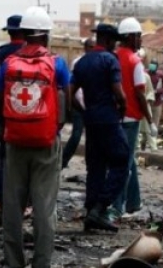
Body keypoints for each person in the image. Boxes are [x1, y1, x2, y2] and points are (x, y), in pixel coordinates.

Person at [0, 6, 70, 268]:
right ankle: (41, 267)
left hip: (15, 140)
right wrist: (57, 127)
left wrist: (7, 132)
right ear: (45, 35)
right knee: (44, 206)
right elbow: (67, 95)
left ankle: (13, 265)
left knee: (13, 205)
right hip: (46, 140)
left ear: (26, 34)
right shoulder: (58, 63)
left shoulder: (8, 64)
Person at [71, 23, 129, 233]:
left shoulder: (82, 62)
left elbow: (70, 93)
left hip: (91, 120)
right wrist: (122, 107)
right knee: (122, 161)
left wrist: (84, 110)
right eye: (114, 40)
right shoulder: (109, 60)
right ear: (108, 39)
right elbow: (119, 92)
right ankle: (100, 208)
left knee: (95, 166)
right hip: (108, 119)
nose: (115, 44)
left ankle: (91, 213)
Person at [112, 17, 153, 218]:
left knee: (130, 161)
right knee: (125, 164)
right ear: (129, 37)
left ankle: (134, 203)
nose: (141, 40)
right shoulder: (135, 62)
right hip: (131, 118)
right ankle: (118, 206)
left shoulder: (113, 57)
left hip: (116, 117)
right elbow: (140, 94)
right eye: (138, 36)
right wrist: (150, 118)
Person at [0, 15, 25, 206]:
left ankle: (3, 195)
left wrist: (0, 117)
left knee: (5, 157)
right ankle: (25, 199)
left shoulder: (0, 53)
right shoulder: (36, 52)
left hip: (7, 114)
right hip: (32, 114)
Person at [61, 37, 94, 169]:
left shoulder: (97, 61)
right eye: (90, 47)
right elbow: (73, 85)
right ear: (85, 48)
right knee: (76, 135)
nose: (92, 50)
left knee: (92, 139)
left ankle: (90, 164)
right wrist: (72, 104)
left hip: (91, 105)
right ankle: (63, 160)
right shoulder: (78, 62)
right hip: (78, 104)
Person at [147, 58, 163, 151]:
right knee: (147, 123)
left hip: (157, 102)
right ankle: (145, 142)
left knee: (155, 123)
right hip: (147, 102)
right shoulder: (145, 73)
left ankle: (153, 142)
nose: (152, 66)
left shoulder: (161, 75)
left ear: (157, 66)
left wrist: (158, 91)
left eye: (154, 65)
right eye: (151, 64)